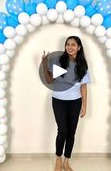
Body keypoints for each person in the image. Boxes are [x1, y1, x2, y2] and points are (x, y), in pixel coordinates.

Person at [42, 36, 91, 171]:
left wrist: (84, 106)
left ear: (79, 47)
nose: (70, 47)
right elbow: (50, 80)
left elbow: (83, 87)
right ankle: (58, 159)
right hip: (59, 100)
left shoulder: (82, 65)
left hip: (75, 102)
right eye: (67, 44)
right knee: (62, 130)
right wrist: (44, 63)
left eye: (73, 45)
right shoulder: (59, 61)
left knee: (71, 132)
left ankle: (66, 161)